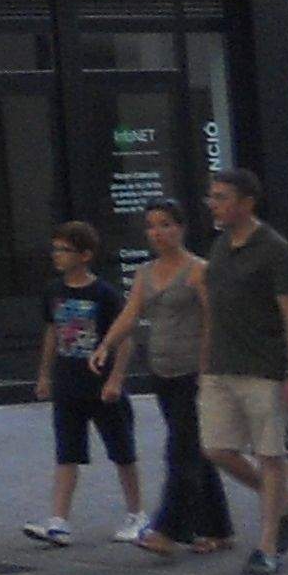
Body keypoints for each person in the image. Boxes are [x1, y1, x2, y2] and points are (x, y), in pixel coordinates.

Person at [96, 196, 233, 556]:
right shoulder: (145, 273)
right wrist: (106, 345)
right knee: (194, 449)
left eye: (166, 225)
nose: (157, 232)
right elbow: (131, 313)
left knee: (180, 451)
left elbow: (213, 320)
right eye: (152, 226)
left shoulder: (198, 269)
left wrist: (208, 366)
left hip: (193, 370)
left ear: (181, 228)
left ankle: (169, 530)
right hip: (161, 368)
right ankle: (217, 528)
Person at [197, 167, 288, 575]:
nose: (215, 204)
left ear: (247, 203)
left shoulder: (274, 248)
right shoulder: (219, 247)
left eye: (223, 197)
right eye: (212, 196)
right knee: (216, 448)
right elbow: (212, 308)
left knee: (269, 455)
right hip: (221, 367)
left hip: (263, 367)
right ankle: (284, 503)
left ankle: (267, 546)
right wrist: (205, 359)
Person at [24, 222, 141, 547]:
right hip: (68, 383)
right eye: (56, 249)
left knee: (122, 452)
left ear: (85, 255)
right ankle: (59, 520)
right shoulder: (53, 292)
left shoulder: (104, 294)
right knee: (67, 453)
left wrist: (116, 379)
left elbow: (125, 339)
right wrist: (45, 375)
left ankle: (136, 514)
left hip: (101, 385)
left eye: (64, 250)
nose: (57, 256)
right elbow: (51, 333)